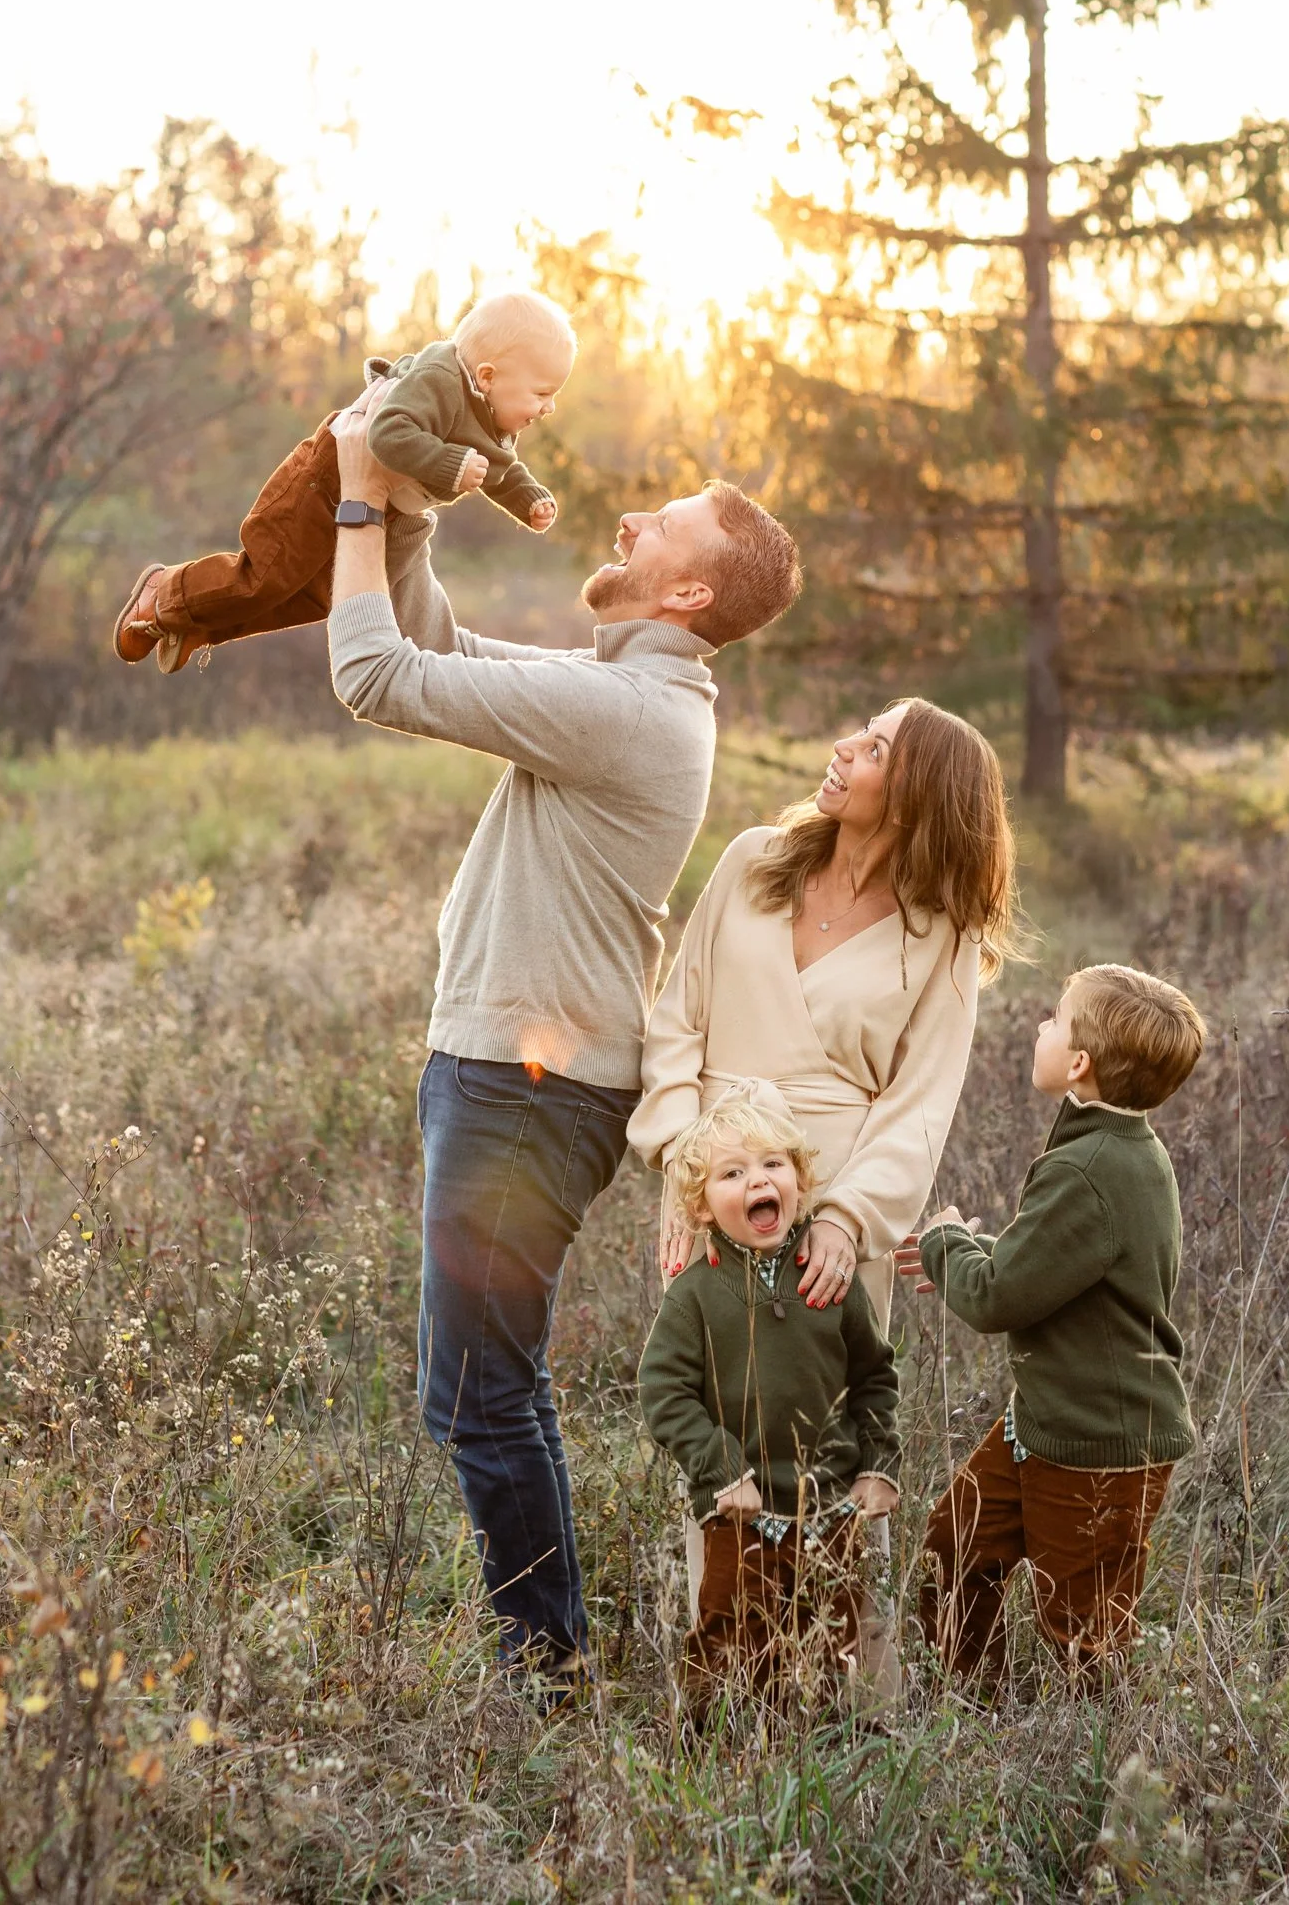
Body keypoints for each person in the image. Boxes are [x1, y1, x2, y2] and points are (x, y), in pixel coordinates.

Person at [324, 387, 803, 1701]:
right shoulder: (614, 687)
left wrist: (362, 493)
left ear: (690, 597)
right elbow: (432, 637)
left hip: (528, 1092)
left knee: (482, 1391)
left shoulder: (635, 716)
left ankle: (548, 1672)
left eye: (665, 525)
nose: (631, 516)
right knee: (477, 1384)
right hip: (511, 1082)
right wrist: (409, 501)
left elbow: (373, 673)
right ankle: (548, 1649)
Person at [629, 699, 1023, 1328]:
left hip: (833, 1202)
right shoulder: (752, 861)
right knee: (702, 1399)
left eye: (875, 752)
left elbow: (921, 1104)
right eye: (864, 731)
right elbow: (678, 1022)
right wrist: (685, 1164)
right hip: (715, 1180)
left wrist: (848, 1216)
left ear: (911, 801)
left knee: (826, 1410)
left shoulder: (943, 936)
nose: (843, 746)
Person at [900, 963, 1207, 1683]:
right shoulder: (1116, 1151)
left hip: (1097, 1444)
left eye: (1053, 1019)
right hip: (1045, 1422)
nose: (1039, 1026)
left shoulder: (1089, 1168)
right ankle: (980, 1714)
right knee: (955, 1551)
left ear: (1078, 1064)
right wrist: (971, 1253)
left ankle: (1105, 1770)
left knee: (1084, 1634)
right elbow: (1049, 1268)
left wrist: (946, 1238)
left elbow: (996, 1301)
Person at [110, 289, 573, 674]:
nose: (549, 408)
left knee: (321, 598)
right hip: (326, 479)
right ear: (489, 376)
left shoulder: (491, 420)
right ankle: (165, 590)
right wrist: (450, 465)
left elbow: (502, 470)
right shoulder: (438, 380)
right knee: (270, 576)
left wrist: (529, 499)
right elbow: (387, 433)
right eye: (542, 394)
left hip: (379, 503)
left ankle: (195, 623)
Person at [637, 1084, 900, 1713]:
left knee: (841, 1637)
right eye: (733, 1172)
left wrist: (878, 1463)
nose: (758, 1179)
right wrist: (720, 1469)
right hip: (741, 1510)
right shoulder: (694, 1294)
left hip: (831, 1508)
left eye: (773, 1164)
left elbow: (874, 1377)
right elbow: (664, 1391)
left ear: (800, 1183)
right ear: (700, 1207)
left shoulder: (827, 1279)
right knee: (729, 1637)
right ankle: (713, 1752)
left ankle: (845, 1746)